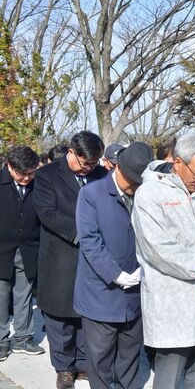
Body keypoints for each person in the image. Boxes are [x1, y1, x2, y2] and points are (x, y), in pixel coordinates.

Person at [132, 133, 195, 389]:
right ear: (178, 162)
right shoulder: (150, 194)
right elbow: (158, 247)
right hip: (173, 305)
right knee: (168, 377)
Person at [73, 142, 153, 388]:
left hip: (136, 294)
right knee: (100, 361)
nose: (136, 188)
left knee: (129, 360)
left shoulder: (146, 194)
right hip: (100, 295)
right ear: (119, 169)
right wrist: (115, 274)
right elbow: (90, 241)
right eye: (133, 182)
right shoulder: (91, 194)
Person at [33, 131, 107, 389]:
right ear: (71, 153)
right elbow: (47, 213)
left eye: (93, 164)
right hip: (61, 254)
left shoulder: (100, 175)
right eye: (84, 163)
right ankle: (64, 367)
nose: (88, 168)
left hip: (93, 257)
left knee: (86, 315)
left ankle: (85, 363)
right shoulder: (47, 175)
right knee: (59, 316)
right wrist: (82, 234)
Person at [0, 146, 45, 362]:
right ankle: (1, 340)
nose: (27, 178)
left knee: (24, 293)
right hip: (2, 249)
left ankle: (23, 337)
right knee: (0, 295)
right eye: (22, 173)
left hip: (28, 248)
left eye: (31, 173)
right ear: (9, 167)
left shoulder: (39, 185)